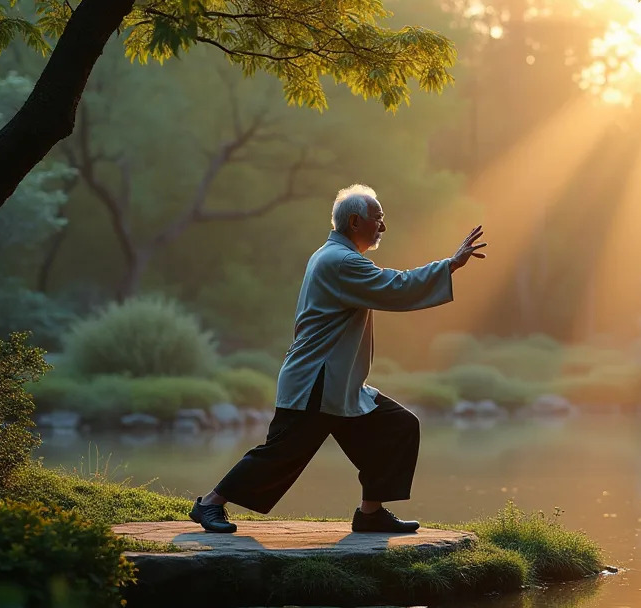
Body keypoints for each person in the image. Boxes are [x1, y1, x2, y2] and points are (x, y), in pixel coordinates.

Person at [189, 184, 486, 534]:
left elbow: (390, 286)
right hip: (316, 382)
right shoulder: (341, 261)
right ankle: (209, 504)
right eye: (378, 218)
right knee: (282, 453)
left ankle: (371, 513)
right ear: (356, 221)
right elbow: (397, 286)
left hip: (339, 385)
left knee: (397, 426)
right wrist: (450, 265)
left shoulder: (333, 256)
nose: (383, 227)